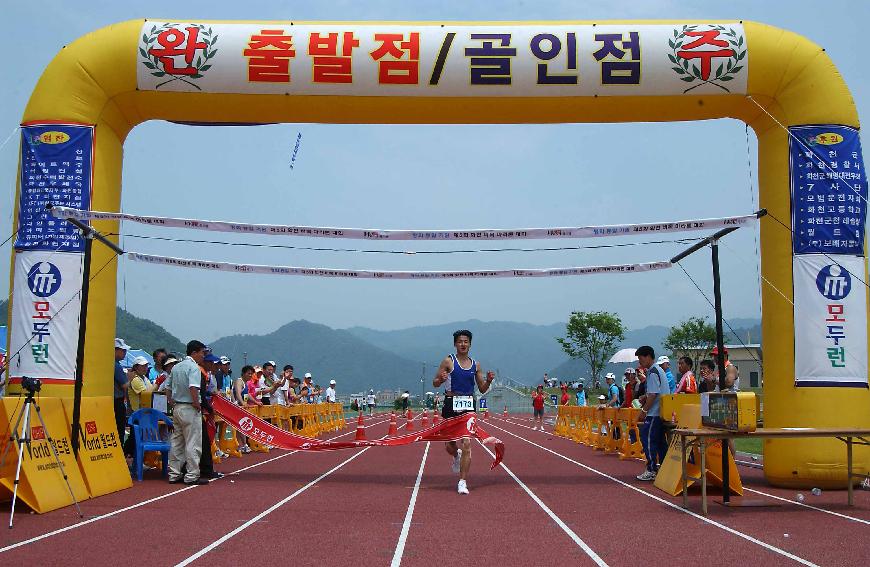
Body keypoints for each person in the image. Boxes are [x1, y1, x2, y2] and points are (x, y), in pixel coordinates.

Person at [433, 329, 495, 495]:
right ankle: (456, 456)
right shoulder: (448, 361)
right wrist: (441, 379)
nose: (463, 344)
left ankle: (462, 481)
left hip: (468, 405)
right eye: (460, 341)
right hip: (450, 404)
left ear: (470, 344)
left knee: (467, 442)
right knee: (449, 445)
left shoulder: (476, 365)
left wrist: (488, 381)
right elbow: (435, 383)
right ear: (455, 344)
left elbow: (481, 388)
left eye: (466, 341)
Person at [167, 340, 209, 485]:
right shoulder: (194, 368)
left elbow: (168, 386)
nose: (203, 356)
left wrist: (171, 401)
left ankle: (174, 473)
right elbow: (193, 388)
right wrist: (197, 404)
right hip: (190, 408)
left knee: (177, 441)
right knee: (193, 442)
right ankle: (192, 475)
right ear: (194, 352)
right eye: (202, 352)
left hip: (177, 407)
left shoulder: (176, 367)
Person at [635, 345, 668, 481]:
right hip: (661, 412)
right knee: (661, 443)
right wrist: (645, 397)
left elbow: (654, 394)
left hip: (654, 414)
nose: (640, 362)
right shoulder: (658, 370)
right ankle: (664, 468)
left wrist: (644, 411)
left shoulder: (653, 371)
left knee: (648, 440)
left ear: (648, 356)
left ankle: (651, 469)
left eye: (641, 358)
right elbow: (654, 393)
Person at [113, 338, 131, 442]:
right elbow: (125, 385)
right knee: (119, 429)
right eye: (123, 350)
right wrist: (130, 377)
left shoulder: (114, 364)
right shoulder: (116, 366)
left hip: (114, 400)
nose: (125, 353)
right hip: (117, 402)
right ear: (116, 350)